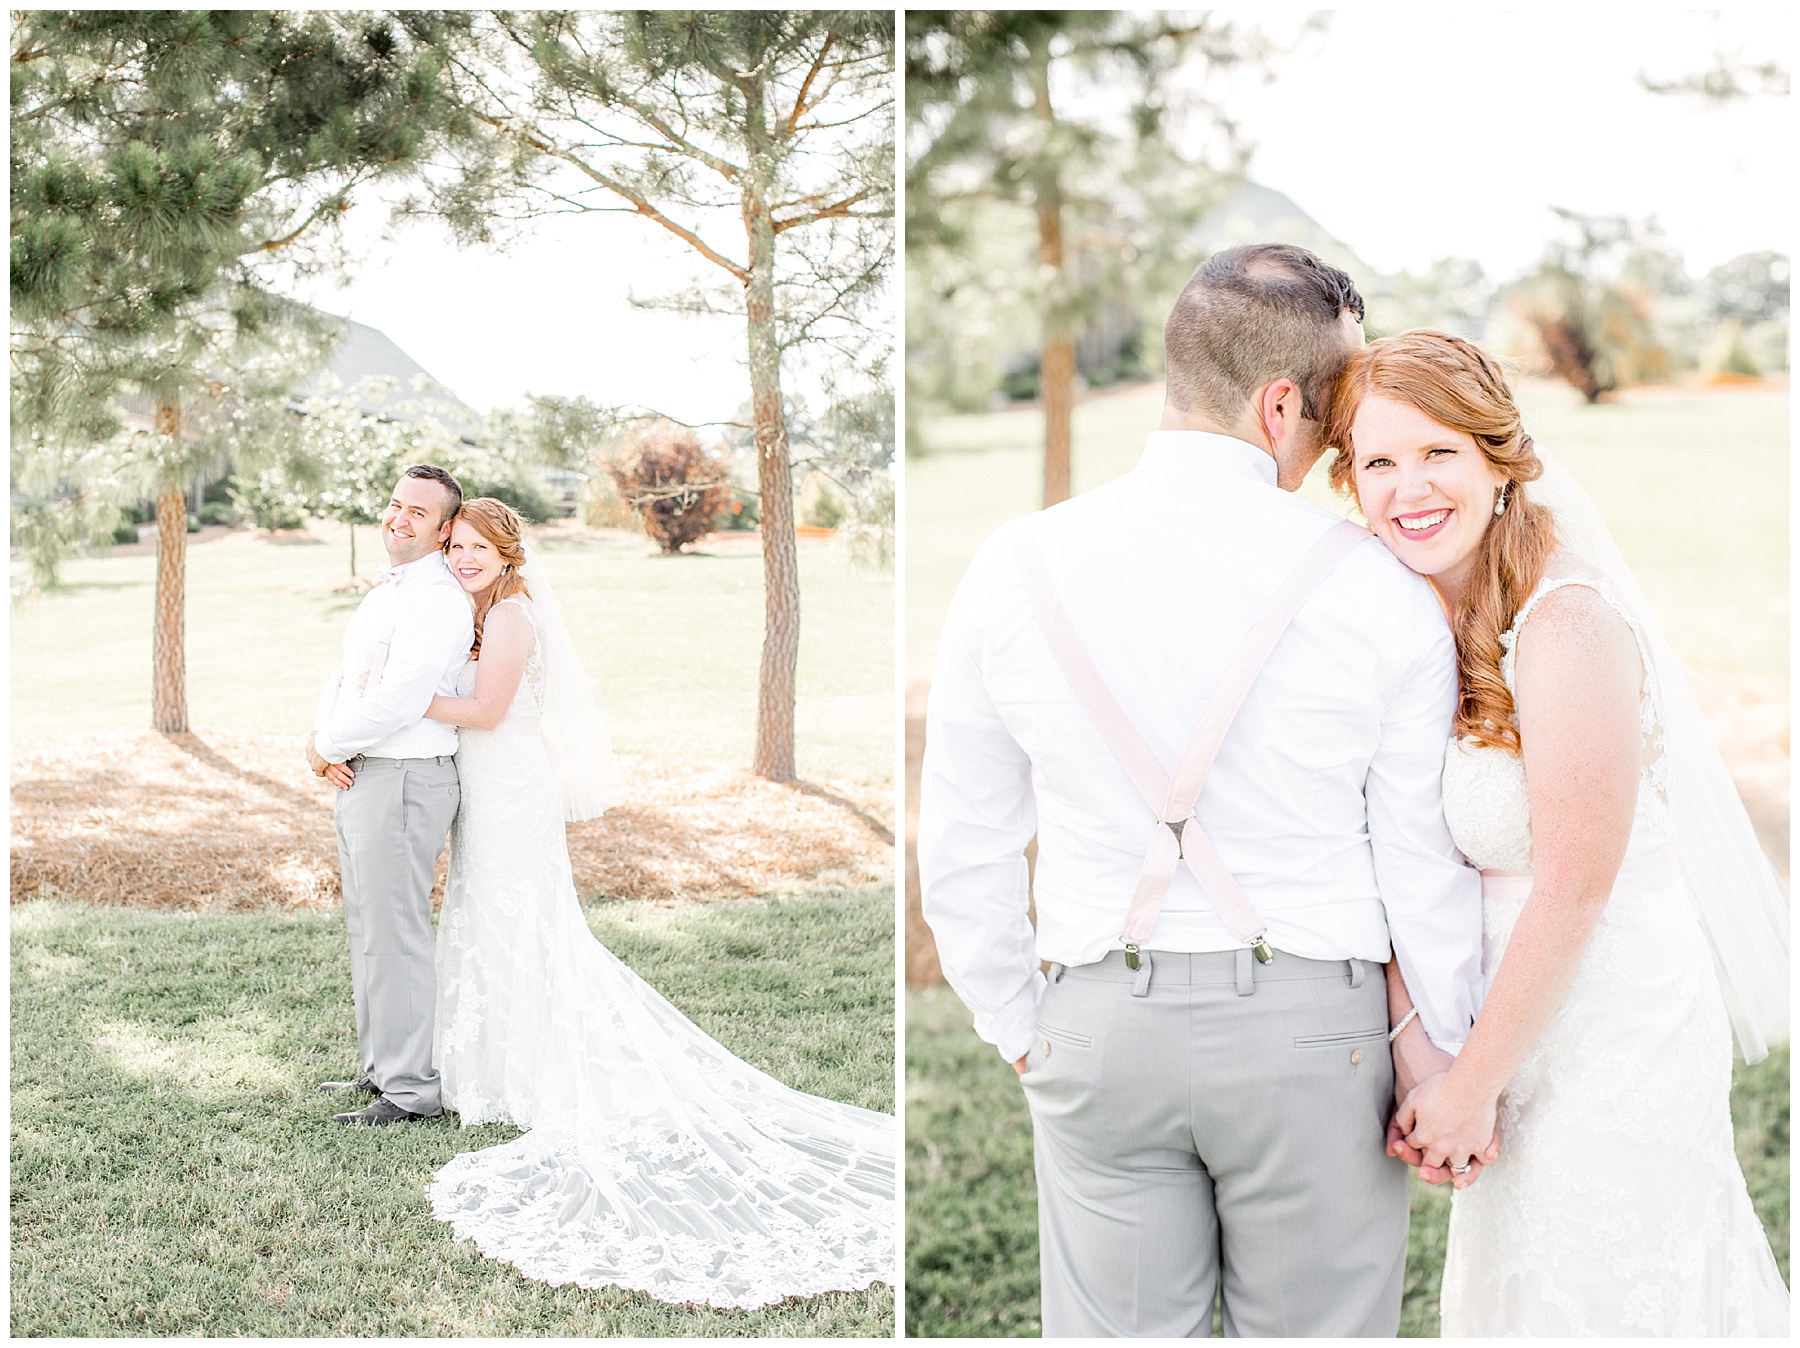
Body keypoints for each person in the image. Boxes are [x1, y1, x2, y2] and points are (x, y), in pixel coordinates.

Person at [917, 243, 1485, 1337]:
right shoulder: (1378, 586)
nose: (1334, 449)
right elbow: (1419, 863)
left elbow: (967, 839)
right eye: (1336, 418)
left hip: (1092, 1021)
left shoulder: (1012, 564)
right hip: (1317, 1037)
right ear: (1282, 406)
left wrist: (1023, 1025)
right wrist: (1438, 1048)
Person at [1325, 330, 1789, 1336]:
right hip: (1502, 1028)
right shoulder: (1409, 617)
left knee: (1609, 1291)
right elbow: (1399, 855)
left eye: (1439, 451)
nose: (1411, 487)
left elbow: (1578, 880)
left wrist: (1469, 1088)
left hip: (1615, 1023)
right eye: (1380, 461)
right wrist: (1428, 1063)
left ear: (1498, 457)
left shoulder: (1566, 621)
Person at [418, 498, 895, 1309]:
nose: (463, 557)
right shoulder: (480, 610)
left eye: (476, 547)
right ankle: (488, 1067)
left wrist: (403, 696)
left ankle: (523, 1071)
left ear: (507, 553)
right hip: (491, 786)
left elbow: (489, 710)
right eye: (454, 545)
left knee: (519, 921)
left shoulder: (510, 619)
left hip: (509, 791)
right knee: (487, 916)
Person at [307, 464, 474, 1127]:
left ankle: (410, 1091)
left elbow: (402, 698)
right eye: (395, 505)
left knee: (396, 934)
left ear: (442, 531)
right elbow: (349, 675)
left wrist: (329, 746)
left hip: (405, 777)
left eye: (417, 513)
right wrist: (323, 738)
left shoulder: (435, 599)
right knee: (368, 929)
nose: (398, 519)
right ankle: (380, 1070)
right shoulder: (393, 590)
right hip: (370, 771)